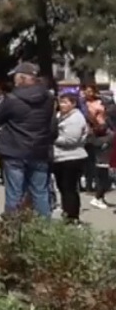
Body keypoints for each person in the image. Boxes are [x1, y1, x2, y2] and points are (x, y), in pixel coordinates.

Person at [0, 62, 57, 217]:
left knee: (14, 193)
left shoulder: (12, 98)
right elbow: (52, 123)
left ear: (21, 78)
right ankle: (46, 231)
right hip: (39, 149)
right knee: (40, 192)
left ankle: (13, 229)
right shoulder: (48, 98)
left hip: (14, 150)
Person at [53, 92, 89, 223]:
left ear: (73, 104)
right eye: (61, 102)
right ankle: (66, 212)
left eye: (65, 102)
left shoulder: (76, 118)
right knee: (62, 187)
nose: (62, 105)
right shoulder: (60, 116)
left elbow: (71, 139)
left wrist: (51, 137)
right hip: (59, 157)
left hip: (72, 157)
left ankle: (73, 216)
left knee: (69, 188)